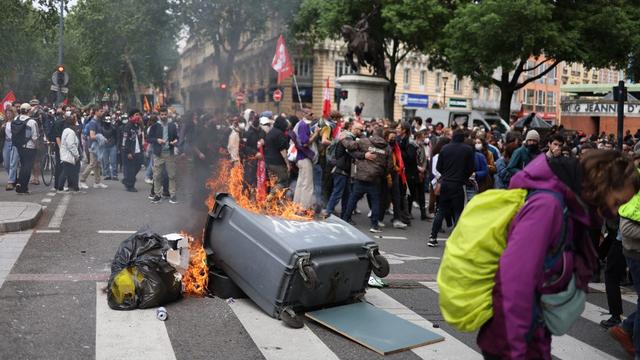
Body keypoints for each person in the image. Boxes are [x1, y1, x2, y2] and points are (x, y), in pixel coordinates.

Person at [478, 150, 640, 359]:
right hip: (511, 340)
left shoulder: (572, 210)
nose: (617, 211)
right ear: (602, 183)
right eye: (617, 201)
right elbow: (513, 281)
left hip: (529, 333)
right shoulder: (549, 207)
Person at [428, 129, 474, 247]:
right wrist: (463, 177)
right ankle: (457, 239)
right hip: (459, 184)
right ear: (463, 138)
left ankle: (433, 237)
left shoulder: (445, 148)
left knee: (441, 210)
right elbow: (470, 168)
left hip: (446, 183)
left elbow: (439, 167)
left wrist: (446, 174)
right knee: (458, 211)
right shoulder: (467, 150)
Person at [342, 126, 393, 233]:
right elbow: (389, 166)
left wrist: (343, 139)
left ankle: (345, 220)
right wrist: (381, 174)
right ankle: (374, 225)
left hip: (361, 177)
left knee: (353, 199)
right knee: (375, 202)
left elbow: (350, 146)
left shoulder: (364, 141)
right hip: (375, 179)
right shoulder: (387, 147)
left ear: (373, 133)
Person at [147, 107, 178, 203]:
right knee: (157, 175)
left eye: (165, 114)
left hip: (169, 153)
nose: (164, 116)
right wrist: (157, 140)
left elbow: (177, 137)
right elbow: (149, 138)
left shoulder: (172, 125)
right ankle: (157, 194)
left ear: (167, 115)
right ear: (159, 115)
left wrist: (175, 141)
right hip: (158, 154)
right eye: (162, 114)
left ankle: (172, 195)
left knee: (172, 175)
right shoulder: (155, 126)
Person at [291, 110, 320, 210]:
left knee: (301, 183)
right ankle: (303, 208)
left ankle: (296, 206)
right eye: (310, 113)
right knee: (307, 185)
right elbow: (304, 143)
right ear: (304, 114)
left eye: (312, 113)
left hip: (302, 158)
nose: (312, 115)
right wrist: (316, 134)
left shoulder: (302, 124)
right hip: (304, 158)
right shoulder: (303, 125)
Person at [13, 103, 39, 194]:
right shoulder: (32, 122)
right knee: (27, 167)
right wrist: (37, 147)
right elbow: (34, 137)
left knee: (23, 165)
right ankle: (24, 187)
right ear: (28, 111)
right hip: (29, 147)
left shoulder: (16, 119)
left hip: (19, 146)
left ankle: (19, 183)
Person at [79, 107, 107, 189]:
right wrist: (101, 138)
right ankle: (82, 180)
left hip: (97, 146)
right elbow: (92, 136)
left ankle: (97, 182)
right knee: (92, 164)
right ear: (96, 112)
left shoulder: (98, 121)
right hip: (93, 146)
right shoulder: (93, 123)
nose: (102, 113)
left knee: (97, 164)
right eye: (100, 111)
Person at [264, 115, 290, 190]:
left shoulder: (271, 132)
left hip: (268, 162)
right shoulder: (279, 134)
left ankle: (273, 200)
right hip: (277, 163)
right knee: (283, 181)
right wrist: (287, 164)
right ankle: (270, 197)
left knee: (274, 183)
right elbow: (283, 150)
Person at [121, 111, 144, 192]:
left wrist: (141, 124)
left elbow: (141, 135)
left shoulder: (137, 125)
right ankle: (130, 186)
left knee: (138, 165)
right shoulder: (128, 126)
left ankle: (127, 179)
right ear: (131, 117)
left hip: (138, 150)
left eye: (139, 115)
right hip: (130, 151)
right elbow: (125, 140)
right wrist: (128, 152)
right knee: (130, 169)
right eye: (136, 115)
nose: (138, 116)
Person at [57, 114, 80, 192]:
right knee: (70, 171)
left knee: (68, 171)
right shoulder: (71, 132)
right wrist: (77, 155)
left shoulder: (65, 130)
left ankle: (72, 186)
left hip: (66, 154)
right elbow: (71, 145)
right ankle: (73, 187)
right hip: (69, 155)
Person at [2, 108, 19, 190]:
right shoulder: (4, 123)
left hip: (14, 143)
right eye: (7, 113)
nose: (8, 115)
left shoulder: (16, 122)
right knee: (6, 163)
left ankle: (10, 181)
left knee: (13, 162)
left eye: (10, 113)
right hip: (6, 143)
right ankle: (14, 178)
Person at [101, 115, 118, 180]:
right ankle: (107, 174)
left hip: (112, 145)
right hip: (105, 146)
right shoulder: (101, 128)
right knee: (106, 161)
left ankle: (114, 175)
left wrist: (116, 144)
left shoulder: (113, 128)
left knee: (113, 161)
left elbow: (116, 136)